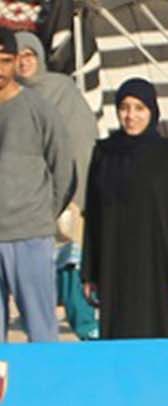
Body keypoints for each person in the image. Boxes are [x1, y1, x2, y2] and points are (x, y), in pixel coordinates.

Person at [82, 79, 168, 340]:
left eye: (139, 108)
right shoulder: (105, 154)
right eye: (124, 107)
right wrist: (90, 272)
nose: (130, 116)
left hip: (161, 269)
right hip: (116, 267)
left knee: (163, 340)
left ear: (152, 111)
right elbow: (94, 217)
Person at [11, 31, 94, 339]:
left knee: (71, 265)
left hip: (67, 194)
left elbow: (82, 142)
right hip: (26, 206)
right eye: (17, 58)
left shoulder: (61, 90)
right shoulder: (10, 99)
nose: (24, 63)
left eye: (29, 56)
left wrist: (73, 192)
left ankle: (87, 329)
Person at [0, 29, 70, 344]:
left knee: (40, 329)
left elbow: (63, 165)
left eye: (5, 61)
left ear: (16, 62)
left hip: (30, 232)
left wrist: (45, 213)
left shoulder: (38, 108)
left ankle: (52, 391)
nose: (0, 69)